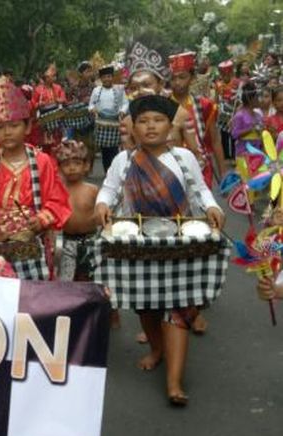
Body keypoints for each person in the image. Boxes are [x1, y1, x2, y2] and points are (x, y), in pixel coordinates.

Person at [95, 94, 225, 406]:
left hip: (181, 244)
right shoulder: (123, 161)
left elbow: (201, 188)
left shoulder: (184, 157)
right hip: (138, 244)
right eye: (143, 121)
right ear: (134, 128)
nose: (151, 126)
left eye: (158, 120)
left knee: (177, 309)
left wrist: (211, 206)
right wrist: (102, 204)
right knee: (147, 306)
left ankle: (174, 382)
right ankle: (156, 350)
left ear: (170, 125)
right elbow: (110, 189)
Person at [0, 76, 71, 280]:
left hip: (32, 243)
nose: (7, 132)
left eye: (14, 125)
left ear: (27, 127)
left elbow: (57, 201)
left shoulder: (43, 161)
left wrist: (42, 220)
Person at [168, 51, 226, 185]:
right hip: (172, 170)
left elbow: (215, 140)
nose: (177, 82)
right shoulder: (162, 106)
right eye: (173, 78)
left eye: (182, 77)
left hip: (201, 169)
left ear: (192, 77)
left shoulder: (204, 105)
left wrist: (223, 173)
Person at [55, 140, 98, 281]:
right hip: (67, 241)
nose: (72, 168)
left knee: (92, 278)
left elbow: (104, 215)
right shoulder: (58, 191)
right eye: (66, 164)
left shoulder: (92, 190)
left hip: (91, 241)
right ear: (59, 167)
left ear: (86, 166)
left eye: (77, 163)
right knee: (66, 280)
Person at [89, 65, 128, 172]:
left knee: (114, 149)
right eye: (105, 77)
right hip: (101, 123)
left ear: (112, 77)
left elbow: (125, 103)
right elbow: (91, 105)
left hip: (115, 122)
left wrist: (122, 111)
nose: (107, 79)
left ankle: (115, 171)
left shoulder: (120, 90)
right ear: (101, 79)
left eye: (109, 76)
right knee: (105, 151)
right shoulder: (96, 90)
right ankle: (107, 171)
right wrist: (93, 110)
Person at [231, 82, 264, 186]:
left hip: (256, 154)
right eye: (257, 97)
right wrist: (251, 129)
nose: (259, 99)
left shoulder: (258, 114)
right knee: (245, 183)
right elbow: (234, 134)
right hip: (243, 154)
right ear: (250, 99)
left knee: (255, 183)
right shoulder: (240, 115)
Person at [30, 63, 67, 152]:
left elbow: (64, 99)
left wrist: (60, 100)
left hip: (56, 119)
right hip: (44, 120)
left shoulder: (58, 88)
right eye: (51, 76)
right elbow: (32, 104)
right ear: (45, 77)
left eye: (54, 76)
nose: (53, 78)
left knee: (57, 144)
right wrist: (39, 104)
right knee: (46, 146)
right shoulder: (38, 89)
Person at [215, 60, 239, 168]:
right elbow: (216, 98)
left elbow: (239, 98)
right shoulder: (218, 84)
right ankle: (226, 156)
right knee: (223, 135)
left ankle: (234, 156)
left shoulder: (236, 83)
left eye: (227, 74)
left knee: (233, 135)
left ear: (231, 73)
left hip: (234, 111)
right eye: (223, 74)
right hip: (223, 112)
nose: (225, 76)